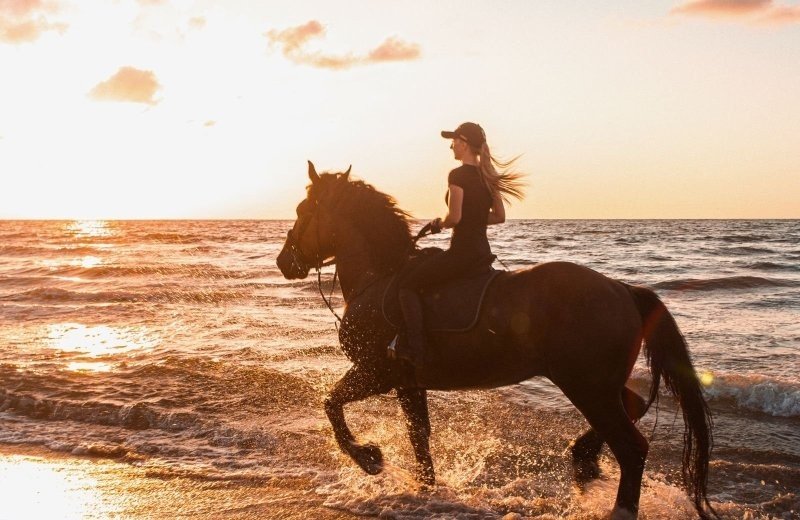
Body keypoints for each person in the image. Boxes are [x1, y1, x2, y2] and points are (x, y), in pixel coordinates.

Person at [395, 122, 525, 383]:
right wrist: (474, 219)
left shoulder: (457, 175)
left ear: (464, 143)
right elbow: (499, 217)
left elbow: (454, 217)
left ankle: (415, 349)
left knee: (407, 285)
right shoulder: (490, 177)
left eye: (453, 141)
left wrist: (438, 223)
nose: (451, 145)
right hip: (482, 253)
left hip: (462, 254)